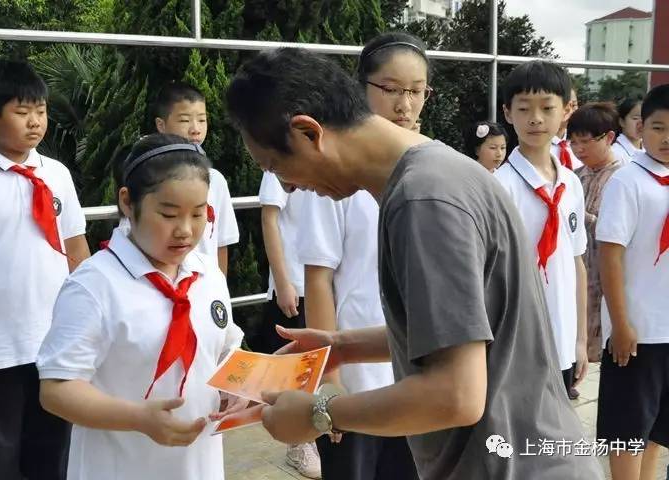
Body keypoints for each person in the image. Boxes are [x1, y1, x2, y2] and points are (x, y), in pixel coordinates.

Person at [225, 47, 603, 480]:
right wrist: (345, 346)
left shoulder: (423, 199)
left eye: (276, 166)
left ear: (309, 133)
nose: (288, 187)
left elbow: (456, 394)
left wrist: (319, 412)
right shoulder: (440, 171)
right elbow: (471, 329)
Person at [37, 134, 246, 480]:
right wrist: (137, 418)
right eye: (168, 214)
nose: (185, 231)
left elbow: (224, 349)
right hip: (119, 467)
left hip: (199, 466)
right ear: (127, 202)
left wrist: (237, 387)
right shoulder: (94, 285)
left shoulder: (207, 273)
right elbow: (57, 390)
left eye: (198, 215)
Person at [0, 57, 90, 480]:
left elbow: (76, 250)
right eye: (22, 111)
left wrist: (90, 328)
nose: (35, 123)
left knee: (52, 457)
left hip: (53, 344)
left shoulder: (57, 174)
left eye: (41, 111)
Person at [296, 31, 424, 480]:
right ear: (361, 89)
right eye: (390, 89)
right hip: (356, 383)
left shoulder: (432, 169)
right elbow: (318, 277)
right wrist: (327, 377)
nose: (404, 104)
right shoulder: (335, 175)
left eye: (416, 91)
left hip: (419, 380)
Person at [494, 61, 589, 402]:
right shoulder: (499, 188)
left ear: (566, 110)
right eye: (524, 108)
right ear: (507, 112)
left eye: (547, 108)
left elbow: (576, 263)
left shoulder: (571, 183)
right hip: (519, 345)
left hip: (563, 341)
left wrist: (579, 340)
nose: (535, 118)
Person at [595, 83, 669, 480]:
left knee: (657, 427)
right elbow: (610, 254)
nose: (667, 138)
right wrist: (620, 325)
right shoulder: (628, 182)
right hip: (636, 333)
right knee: (628, 431)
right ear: (641, 128)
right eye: (658, 128)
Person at [117, 82, 239, 276]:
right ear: (161, 125)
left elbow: (221, 242)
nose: (195, 129)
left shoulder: (216, 180)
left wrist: (218, 290)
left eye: (202, 120)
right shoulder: (147, 175)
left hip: (201, 286)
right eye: (184, 121)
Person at [258, 170, 320, 479]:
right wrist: (283, 281)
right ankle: (297, 441)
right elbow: (269, 220)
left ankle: (315, 432)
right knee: (292, 371)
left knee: (318, 368)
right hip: (294, 282)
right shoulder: (278, 163)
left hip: (324, 282)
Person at [567, 102, 623, 363]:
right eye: (574, 142)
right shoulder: (574, 177)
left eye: (585, 142)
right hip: (578, 276)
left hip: (609, 280)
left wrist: (579, 214)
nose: (579, 150)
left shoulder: (624, 179)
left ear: (609, 137)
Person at [550, 87, 584, 170]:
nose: (570, 111)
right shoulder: (537, 146)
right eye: (565, 106)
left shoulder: (582, 142)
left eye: (574, 105)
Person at [612, 96, 644, 166]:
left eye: (644, 118)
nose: (641, 123)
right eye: (635, 118)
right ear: (622, 122)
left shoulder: (650, 149)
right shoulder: (615, 154)